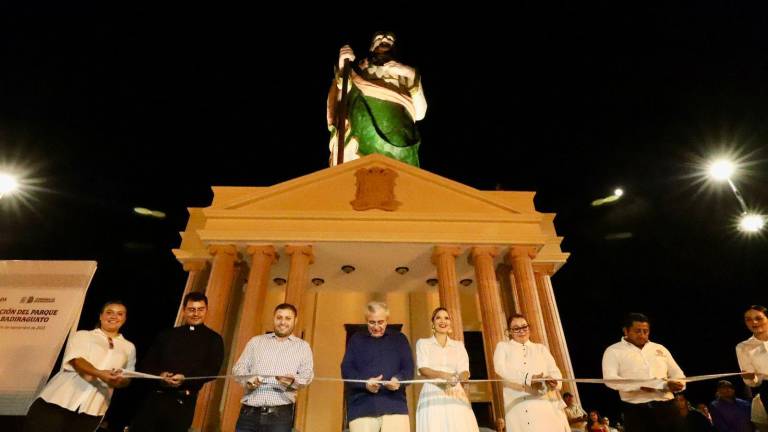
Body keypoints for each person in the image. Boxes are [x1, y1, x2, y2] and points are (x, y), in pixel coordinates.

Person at [24, 300, 135, 432]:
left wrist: (120, 381)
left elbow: (127, 377)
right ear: (101, 316)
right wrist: (100, 373)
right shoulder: (83, 336)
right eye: (109, 312)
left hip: (93, 410)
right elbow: (77, 361)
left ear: (125, 319)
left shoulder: (129, 347)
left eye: (119, 314)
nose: (114, 316)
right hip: (58, 401)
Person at [328, 31, 427, 167]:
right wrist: (342, 65)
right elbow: (344, 89)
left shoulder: (405, 74)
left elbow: (421, 113)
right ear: (372, 46)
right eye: (379, 38)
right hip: (363, 125)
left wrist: (410, 73)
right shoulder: (361, 71)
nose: (384, 40)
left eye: (390, 39)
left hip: (400, 129)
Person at [128, 292, 224, 432]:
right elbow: (147, 363)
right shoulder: (167, 335)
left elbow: (212, 370)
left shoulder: (214, 339)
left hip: (184, 402)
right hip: (156, 397)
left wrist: (185, 379)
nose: (196, 314)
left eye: (200, 309)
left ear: (206, 310)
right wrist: (160, 375)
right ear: (184, 310)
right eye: (191, 309)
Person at [232, 303, 314, 432]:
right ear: (273, 319)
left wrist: (293, 381)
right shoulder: (255, 341)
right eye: (279, 317)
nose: (283, 322)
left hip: (280, 416)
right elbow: (238, 369)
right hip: (249, 414)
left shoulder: (303, 347)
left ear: (295, 321)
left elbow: (307, 376)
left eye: (288, 318)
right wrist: (248, 380)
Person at [602, 312, 686, 432]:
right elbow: (610, 379)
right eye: (637, 331)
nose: (642, 335)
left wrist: (677, 384)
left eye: (645, 331)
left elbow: (678, 374)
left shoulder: (659, 348)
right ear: (625, 331)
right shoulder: (613, 351)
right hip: (636, 411)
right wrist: (640, 386)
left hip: (668, 407)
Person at [341, 301, 414, 432]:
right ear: (366, 320)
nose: (376, 327)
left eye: (380, 322)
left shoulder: (399, 339)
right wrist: (365, 384)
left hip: (395, 406)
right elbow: (346, 370)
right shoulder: (356, 339)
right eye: (372, 322)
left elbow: (409, 369)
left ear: (387, 320)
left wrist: (398, 379)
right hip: (362, 408)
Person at [493, 313, 570, 432]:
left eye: (524, 327)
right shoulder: (503, 347)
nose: (521, 331)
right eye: (516, 328)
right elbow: (500, 368)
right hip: (520, 404)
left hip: (546, 404)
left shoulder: (541, 348)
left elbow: (555, 372)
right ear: (509, 331)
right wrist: (529, 378)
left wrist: (554, 381)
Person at [414, 307, 479, 432]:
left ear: (450, 322)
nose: (442, 321)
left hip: (455, 393)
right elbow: (423, 369)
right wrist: (445, 375)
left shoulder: (459, 345)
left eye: (446, 318)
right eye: (438, 317)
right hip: (432, 391)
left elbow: (464, 370)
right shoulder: (423, 343)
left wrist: (463, 376)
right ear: (432, 322)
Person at [737, 305, 768, 420]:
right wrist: (750, 377)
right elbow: (753, 382)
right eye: (748, 319)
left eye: (758, 318)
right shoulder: (743, 347)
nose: (754, 322)